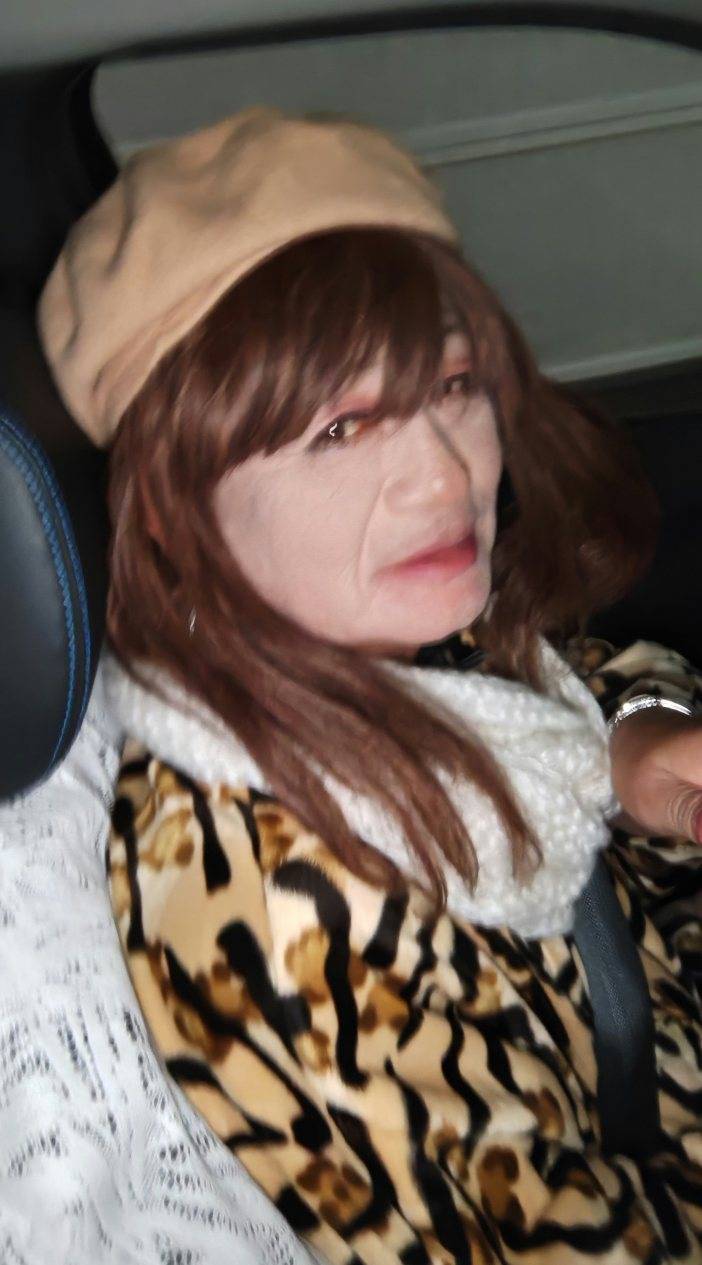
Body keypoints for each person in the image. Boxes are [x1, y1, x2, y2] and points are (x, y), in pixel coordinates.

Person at [36, 104, 702, 1264]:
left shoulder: (363, 625)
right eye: (339, 429)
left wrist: (639, 736)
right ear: (175, 509)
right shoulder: (286, 904)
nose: (442, 473)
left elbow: (569, 678)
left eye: (452, 382)